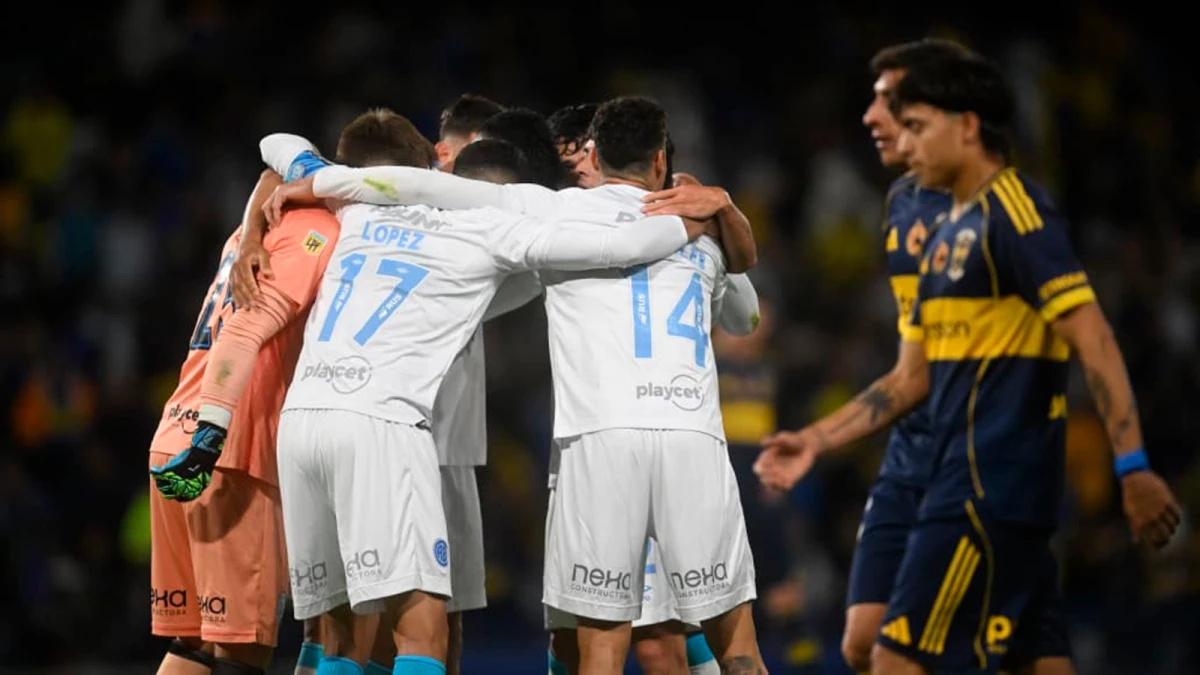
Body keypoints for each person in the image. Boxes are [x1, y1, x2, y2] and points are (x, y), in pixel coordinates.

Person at [268, 95, 766, 674]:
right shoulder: (670, 226)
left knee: (607, 644)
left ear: (595, 155)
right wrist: (713, 214)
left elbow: (338, 163)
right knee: (702, 639)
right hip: (684, 434)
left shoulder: (538, 213)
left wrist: (318, 183)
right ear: (659, 159)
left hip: (587, 444)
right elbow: (745, 315)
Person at [756, 50, 1182, 675]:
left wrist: (1133, 465)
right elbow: (913, 375)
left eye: (907, 115)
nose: (880, 120)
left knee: (895, 658)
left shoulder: (1014, 213)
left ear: (965, 124)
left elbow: (1093, 337)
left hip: (987, 481)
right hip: (936, 468)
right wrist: (817, 440)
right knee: (977, 655)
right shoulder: (917, 218)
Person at [145, 169, 339, 673]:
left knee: (191, 645)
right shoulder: (318, 230)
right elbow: (244, 332)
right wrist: (211, 437)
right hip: (231, 451)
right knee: (241, 652)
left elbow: (271, 165)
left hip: (173, 433)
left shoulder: (248, 232)